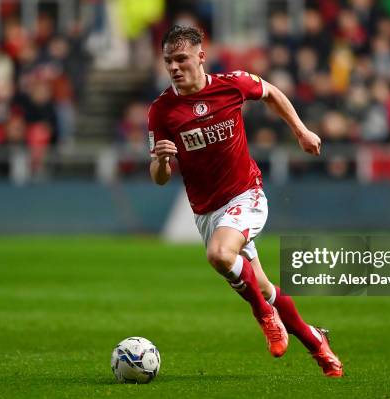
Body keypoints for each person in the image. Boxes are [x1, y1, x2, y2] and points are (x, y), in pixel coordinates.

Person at [147, 25, 343, 377]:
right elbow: (158, 179)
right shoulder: (161, 111)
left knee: (220, 256)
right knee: (264, 287)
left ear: (200, 57)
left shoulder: (232, 84)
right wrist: (161, 161)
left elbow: (271, 93)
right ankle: (315, 341)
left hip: (246, 194)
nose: (174, 67)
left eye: (181, 59)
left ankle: (264, 317)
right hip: (207, 212)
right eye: (168, 61)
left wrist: (301, 131)